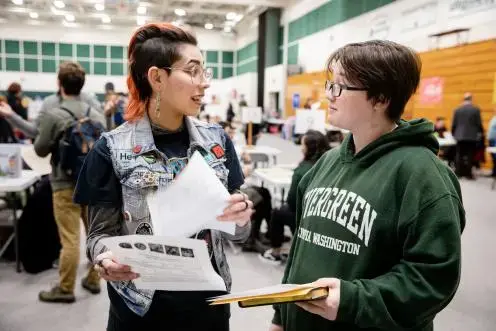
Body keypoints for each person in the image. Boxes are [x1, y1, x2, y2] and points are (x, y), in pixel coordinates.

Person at [270, 40, 465, 331]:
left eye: (339, 87)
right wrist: (280, 316)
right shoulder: (326, 162)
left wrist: (353, 300)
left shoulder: (424, 175)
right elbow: (301, 249)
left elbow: (433, 278)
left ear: (381, 98)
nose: (328, 95)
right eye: (329, 84)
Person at [73, 23, 252, 330]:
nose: (204, 83)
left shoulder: (217, 142)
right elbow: (98, 237)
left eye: (204, 72)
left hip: (209, 309)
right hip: (141, 311)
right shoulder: (112, 149)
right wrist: (105, 260)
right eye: (193, 71)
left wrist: (241, 218)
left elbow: (239, 235)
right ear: (157, 77)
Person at [30, 61, 104, 303]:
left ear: (59, 85)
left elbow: (40, 150)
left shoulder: (53, 115)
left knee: (70, 239)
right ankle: (94, 279)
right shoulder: (97, 115)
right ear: (82, 85)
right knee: (96, 234)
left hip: (64, 184)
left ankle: (65, 288)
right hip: (92, 185)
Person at [260, 130, 329, 264]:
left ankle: (275, 251)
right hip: (323, 215)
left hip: (304, 216)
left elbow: (292, 200)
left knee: (277, 212)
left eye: (303, 145)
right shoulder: (330, 165)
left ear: (309, 148)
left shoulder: (301, 171)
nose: (301, 148)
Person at [451, 93, 484, 179]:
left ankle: (458, 173)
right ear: (471, 99)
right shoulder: (476, 110)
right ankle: (468, 174)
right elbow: (479, 124)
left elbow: (454, 124)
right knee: (470, 155)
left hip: (459, 135)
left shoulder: (457, 110)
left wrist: (453, 134)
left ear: (464, 99)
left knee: (459, 154)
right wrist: (481, 133)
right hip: (471, 136)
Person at [488, 106, 496, 177]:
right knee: (493, 157)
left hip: (494, 140)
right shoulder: (494, 117)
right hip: (491, 139)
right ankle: (494, 172)